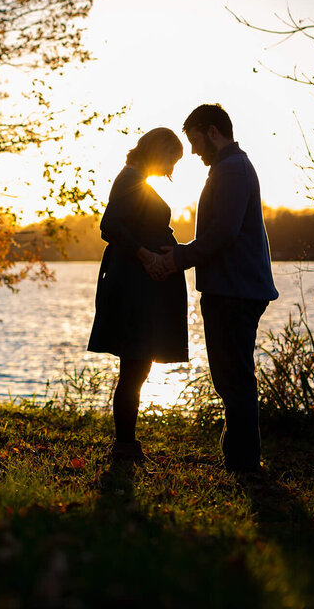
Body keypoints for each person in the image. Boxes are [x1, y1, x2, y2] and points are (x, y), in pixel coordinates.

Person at [146, 104, 278, 475]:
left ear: (212, 131)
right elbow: (219, 233)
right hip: (231, 287)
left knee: (233, 376)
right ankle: (238, 457)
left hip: (235, 291)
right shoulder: (229, 168)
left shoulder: (233, 170)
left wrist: (178, 258)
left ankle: (243, 462)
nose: (193, 151)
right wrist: (183, 252)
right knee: (230, 375)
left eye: (195, 140)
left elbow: (223, 233)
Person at [88, 128, 189, 464]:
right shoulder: (129, 178)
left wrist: (169, 258)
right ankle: (125, 445)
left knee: (138, 365)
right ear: (158, 150)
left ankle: (127, 444)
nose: (172, 166)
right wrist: (148, 257)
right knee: (134, 365)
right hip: (134, 287)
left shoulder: (137, 180)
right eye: (172, 157)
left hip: (143, 286)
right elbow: (111, 226)